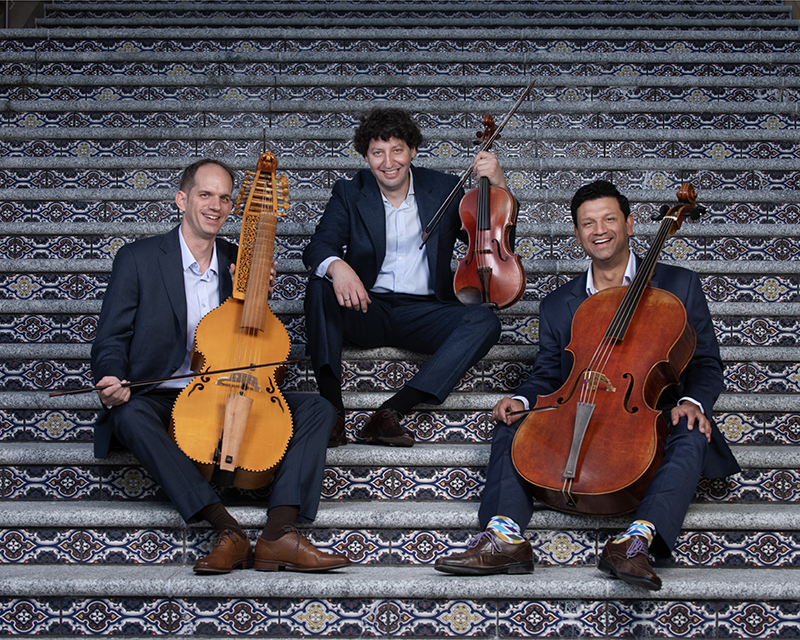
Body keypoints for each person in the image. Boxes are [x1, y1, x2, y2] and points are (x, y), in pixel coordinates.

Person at [434, 179, 740, 590]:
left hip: (646, 418)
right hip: (579, 404)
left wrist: (693, 402)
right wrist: (521, 398)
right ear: (577, 234)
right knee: (513, 421)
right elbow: (548, 374)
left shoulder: (679, 285)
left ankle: (636, 542)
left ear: (629, 224)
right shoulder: (558, 304)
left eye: (609, 219)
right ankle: (503, 537)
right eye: (588, 223)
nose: (600, 230)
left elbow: (704, 363)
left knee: (691, 427)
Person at [91, 158, 350, 575]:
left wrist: (257, 298)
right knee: (128, 414)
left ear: (233, 206)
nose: (215, 205)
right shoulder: (138, 258)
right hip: (164, 394)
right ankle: (225, 528)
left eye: (225, 198)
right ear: (182, 199)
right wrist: (110, 376)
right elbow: (111, 337)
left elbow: (254, 340)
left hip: (232, 386)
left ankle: (279, 533)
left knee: (319, 408)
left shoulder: (240, 259)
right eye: (205, 194)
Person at [303, 107, 506, 448]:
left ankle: (390, 412)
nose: (388, 162)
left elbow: (489, 237)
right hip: (368, 307)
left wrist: (497, 184)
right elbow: (318, 247)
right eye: (377, 152)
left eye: (397, 150)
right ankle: (332, 412)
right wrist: (338, 267)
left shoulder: (443, 188)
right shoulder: (349, 192)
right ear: (365, 157)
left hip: (425, 313)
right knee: (319, 287)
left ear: (412, 150)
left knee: (484, 321)